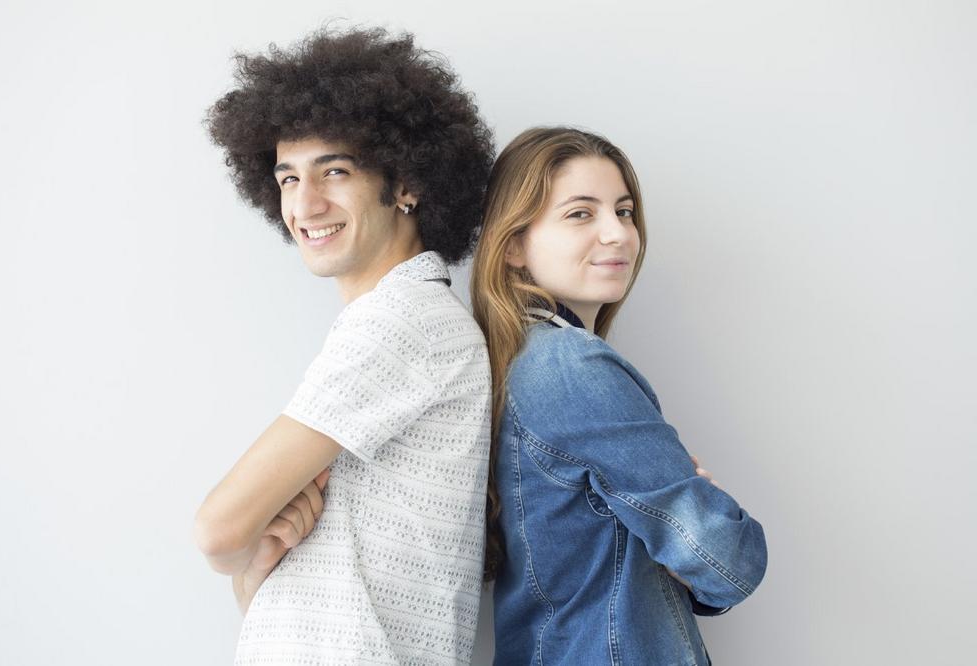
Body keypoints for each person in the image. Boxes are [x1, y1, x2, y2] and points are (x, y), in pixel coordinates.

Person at [193, 27, 495, 665]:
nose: (305, 204)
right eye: (287, 178)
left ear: (406, 183)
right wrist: (256, 564)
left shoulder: (401, 321)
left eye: (334, 170)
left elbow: (218, 530)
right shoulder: (398, 317)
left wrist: (233, 555)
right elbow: (278, 597)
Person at [470, 127, 767, 665]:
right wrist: (707, 526)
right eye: (580, 213)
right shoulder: (571, 366)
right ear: (512, 245)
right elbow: (729, 562)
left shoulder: (521, 361)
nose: (618, 234)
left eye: (624, 211)